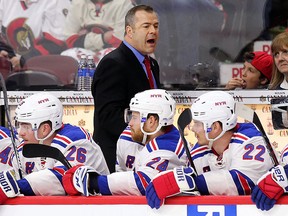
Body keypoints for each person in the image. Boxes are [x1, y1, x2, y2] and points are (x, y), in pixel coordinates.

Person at [145, 91, 275, 209]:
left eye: (197, 123)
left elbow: (244, 182)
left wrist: (188, 181)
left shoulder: (251, 140)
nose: (192, 129)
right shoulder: (199, 152)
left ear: (215, 127)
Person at [62, 89, 187, 196]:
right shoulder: (128, 135)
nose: (130, 123)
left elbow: (144, 183)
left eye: (135, 117)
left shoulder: (171, 148)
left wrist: (94, 182)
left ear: (151, 121)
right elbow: (121, 171)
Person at [0, 92, 109, 204]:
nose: (20, 133)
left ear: (45, 128)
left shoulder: (77, 141)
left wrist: (14, 186)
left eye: (26, 127)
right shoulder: (23, 147)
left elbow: (64, 181)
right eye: (19, 125)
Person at [91, 4, 160, 173]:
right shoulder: (113, 63)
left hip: (145, 156)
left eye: (156, 26)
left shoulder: (152, 64)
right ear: (129, 31)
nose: (153, 31)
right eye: (146, 26)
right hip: (116, 161)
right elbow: (108, 117)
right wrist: (149, 132)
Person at [0, 0, 71, 68]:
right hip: (12, 66)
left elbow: (57, 43)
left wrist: (22, 61)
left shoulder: (57, 2)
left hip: (44, 68)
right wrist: (3, 52)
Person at [62, 0, 134, 54]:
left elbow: (121, 42)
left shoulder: (124, 4)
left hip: (113, 52)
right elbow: (69, 40)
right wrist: (105, 37)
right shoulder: (78, 2)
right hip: (85, 52)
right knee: (69, 54)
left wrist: (84, 38)